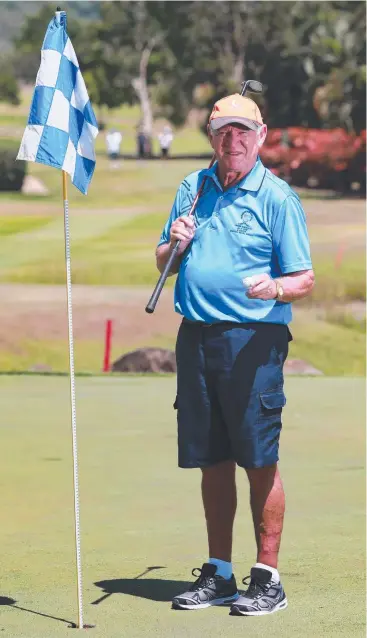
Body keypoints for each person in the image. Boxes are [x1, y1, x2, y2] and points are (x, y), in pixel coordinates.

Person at [155, 92, 314, 616]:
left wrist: (275, 289)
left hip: (254, 341)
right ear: (212, 137)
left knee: (258, 458)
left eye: (244, 131)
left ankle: (267, 577)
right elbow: (162, 260)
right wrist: (174, 242)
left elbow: (304, 277)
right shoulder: (192, 188)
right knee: (212, 459)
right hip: (197, 337)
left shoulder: (277, 197)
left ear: (261, 136)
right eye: (224, 131)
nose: (234, 140)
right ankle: (219, 572)